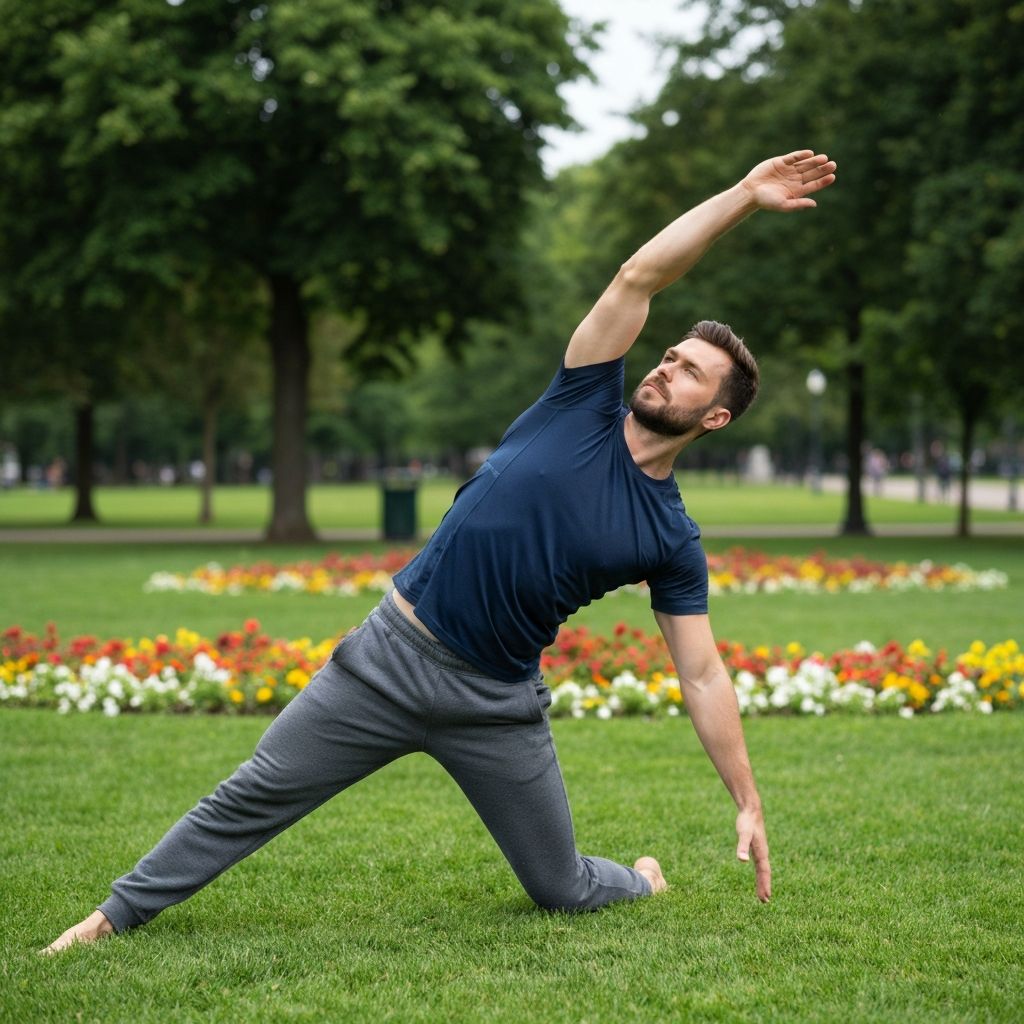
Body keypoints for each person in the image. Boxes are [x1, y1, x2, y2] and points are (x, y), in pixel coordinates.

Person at [45, 148, 836, 953]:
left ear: (715, 420)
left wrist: (747, 798)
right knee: (250, 796)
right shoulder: (582, 398)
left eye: (691, 373)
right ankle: (109, 918)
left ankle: (641, 878)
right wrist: (741, 195)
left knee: (560, 886)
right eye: (670, 355)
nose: (667, 368)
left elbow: (701, 672)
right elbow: (638, 276)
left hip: (494, 704)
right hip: (387, 659)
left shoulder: (670, 536)